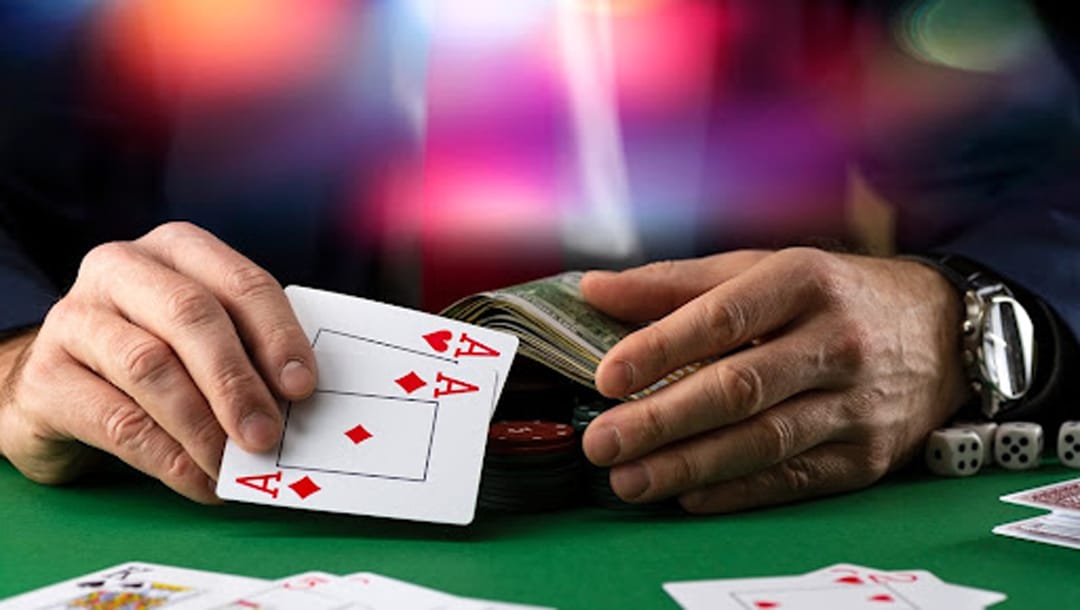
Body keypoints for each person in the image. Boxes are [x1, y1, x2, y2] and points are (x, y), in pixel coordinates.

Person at [1, 1, 1077, 513]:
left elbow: (1043, 158)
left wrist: (956, 319)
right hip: (219, 481)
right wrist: (14, 355)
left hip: (756, 487)